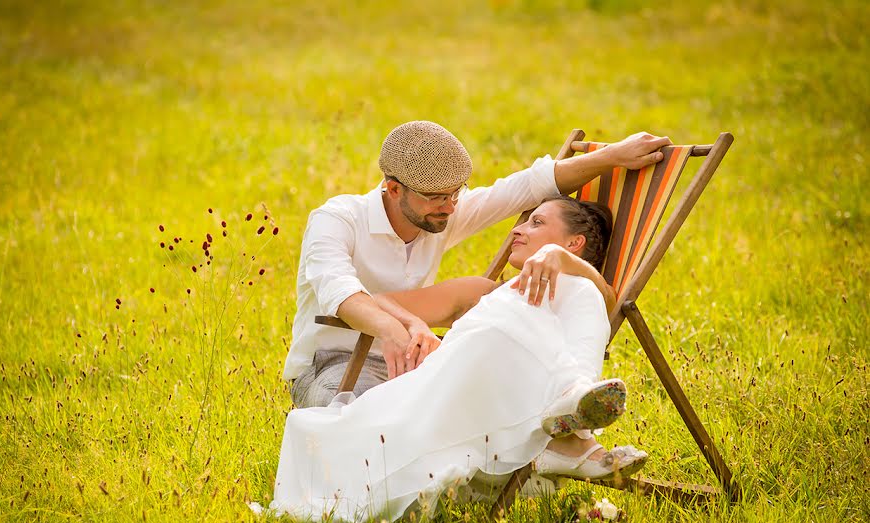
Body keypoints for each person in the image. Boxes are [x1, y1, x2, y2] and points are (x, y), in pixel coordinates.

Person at [263, 198, 647, 523]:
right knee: (516, 304)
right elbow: (381, 300)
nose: (518, 230)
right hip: (451, 393)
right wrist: (414, 324)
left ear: (573, 243)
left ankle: (570, 423)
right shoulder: (486, 293)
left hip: (493, 410)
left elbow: (607, 298)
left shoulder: (582, 294)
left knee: (582, 291)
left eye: (537, 222)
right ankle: (574, 432)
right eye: (524, 220)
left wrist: (559, 259)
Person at [284, 121, 671, 409]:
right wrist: (399, 328)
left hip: (417, 365)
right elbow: (338, 290)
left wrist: (612, 155)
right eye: (437, 197)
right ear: (394, 188)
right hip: (334, 362)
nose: (450, 207)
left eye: (456, 194)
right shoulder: (337, 219)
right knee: (367, 423)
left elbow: (526, 186)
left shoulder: (439, 214)